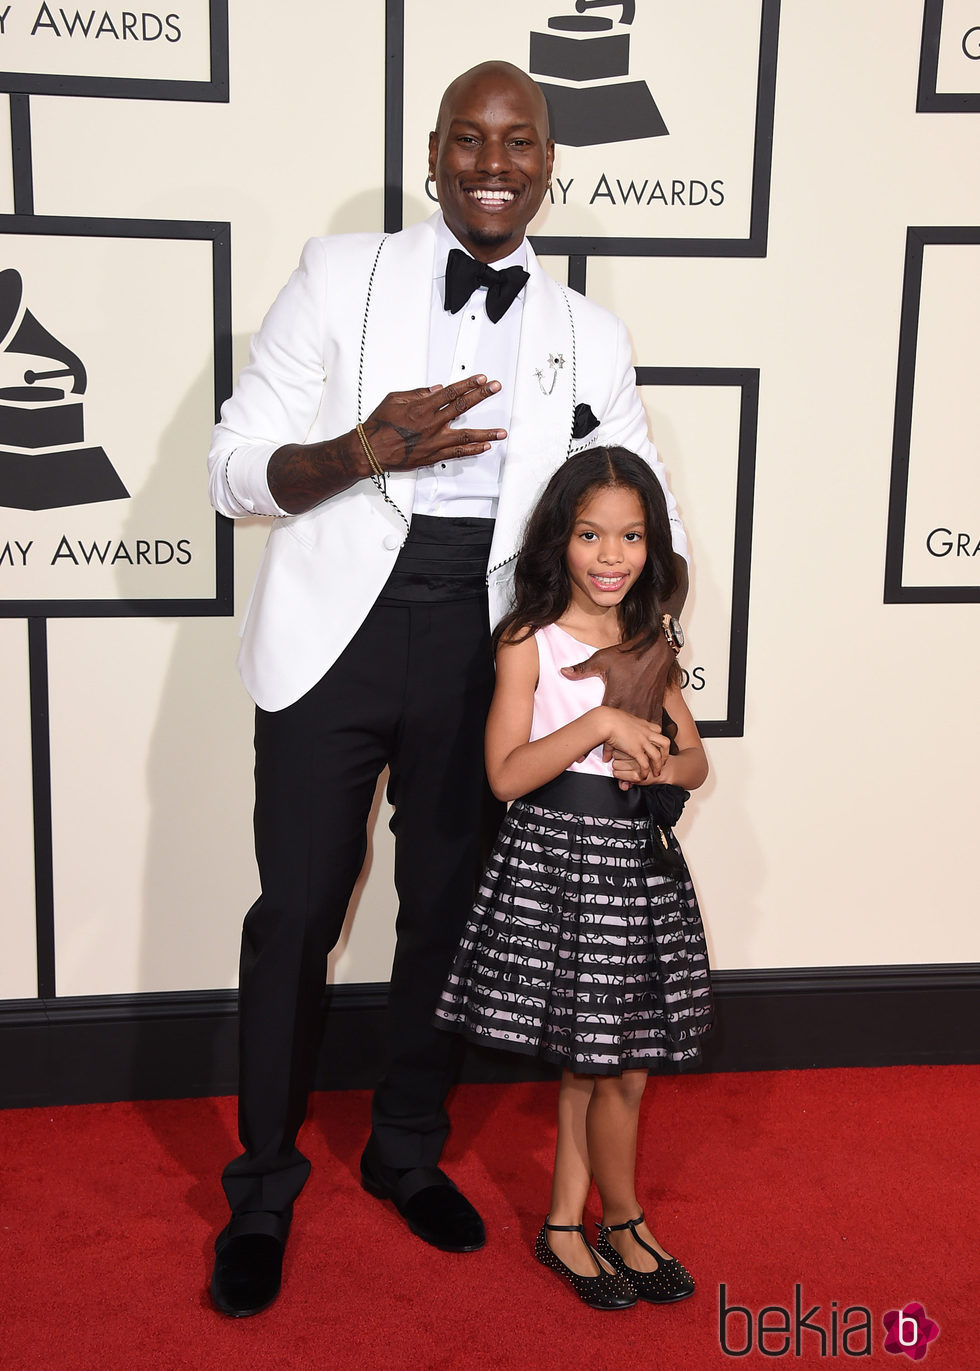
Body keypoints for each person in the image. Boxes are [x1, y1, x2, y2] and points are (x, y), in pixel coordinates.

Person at [206, 60, 689, 1318]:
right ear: (433, 154)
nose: (492, 161)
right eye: (468, 139)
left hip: (492, 646)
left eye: (517, 141)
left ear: (545, 162)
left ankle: (403, 1148)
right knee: (297, 911)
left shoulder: (589, 330)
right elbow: (232, 467)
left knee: (446, 912)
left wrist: (640, 687)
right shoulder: (336, 273)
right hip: (335, 630)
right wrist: (368, 445)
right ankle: (260, 1184)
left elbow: (645, 514)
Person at [435, 447, 711, 1311]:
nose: (610, 554)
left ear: (651, 546)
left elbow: (697, 761)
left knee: (620, 1064)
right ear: (561, 539)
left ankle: (574, 1220)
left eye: (630, 536)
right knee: (596, 1066)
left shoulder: (650, 641)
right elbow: (507, 775)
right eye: (591, 533)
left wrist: (656, 766)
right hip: (563, 861)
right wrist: (596, 723)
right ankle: (610, 1219)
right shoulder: (528, 638)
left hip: (636, 865)